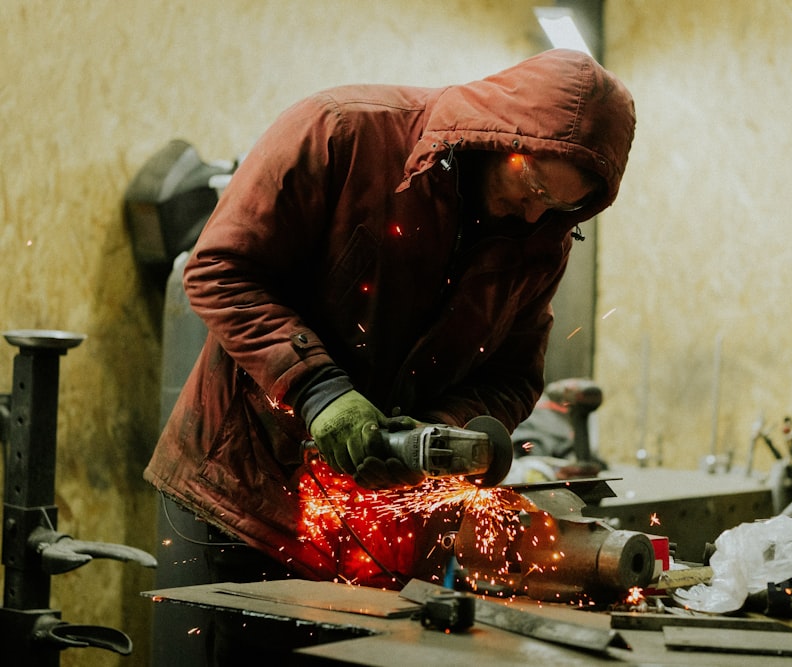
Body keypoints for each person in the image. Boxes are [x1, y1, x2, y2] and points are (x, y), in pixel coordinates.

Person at [144, 48, 635, 588]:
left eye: (562, 207)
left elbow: (511, 377)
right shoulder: (341, 132)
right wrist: (317, 390)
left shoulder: (542, 238)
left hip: (384, 528)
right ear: (502, 138)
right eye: (535, 188)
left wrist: (440, 435)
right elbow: (221, 269)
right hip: (248, 497)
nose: (536, 213)